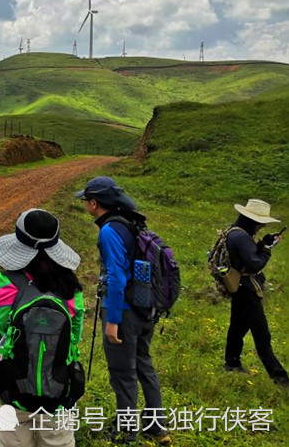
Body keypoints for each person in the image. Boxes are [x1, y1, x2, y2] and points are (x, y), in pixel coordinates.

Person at [75, 176, 169, 444]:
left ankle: (126, 431)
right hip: (144, 307)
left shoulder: (108, 231)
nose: (84, 204)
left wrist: (112, 321)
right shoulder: (131, 223)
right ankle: (156, 426)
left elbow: (116, 277)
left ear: (95, 203)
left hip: (123, 311)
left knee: (122, 373)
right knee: (143, 364)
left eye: (86, 201)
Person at [0, 208, 84, 447]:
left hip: (10, 385)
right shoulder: (71, 289)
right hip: (58, 386)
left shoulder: (0, 282)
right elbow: (74, 337)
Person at [223, 199, 289, 386]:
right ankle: (280, 378)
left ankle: (232, 363)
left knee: (237, 327)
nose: (262, 226)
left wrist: (263, 243)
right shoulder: (242, 237)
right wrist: (267, 250)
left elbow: (248, 255)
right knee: (262, 335)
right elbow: (255, 263)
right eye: (261, 223)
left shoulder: (235, 232)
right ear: (254, 221)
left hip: (239, 287)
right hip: (248, 290)